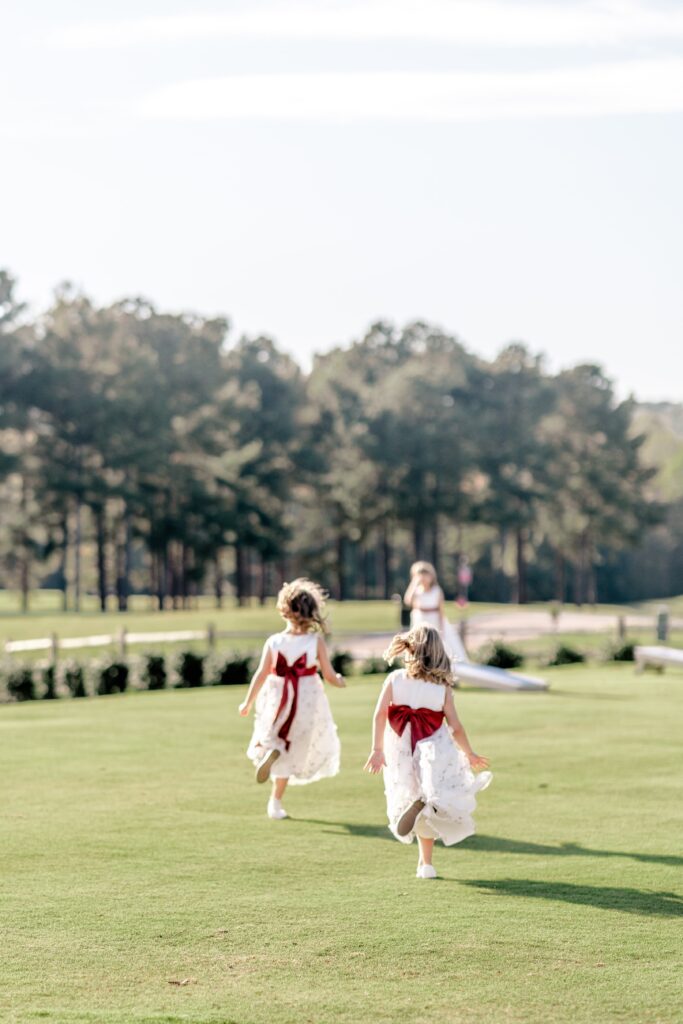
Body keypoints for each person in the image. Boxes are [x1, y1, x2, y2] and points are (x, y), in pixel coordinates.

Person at [364, 624, 491, 878]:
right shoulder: (442, 688)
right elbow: (455, 727)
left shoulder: (395, 679)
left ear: (410, 649)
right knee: (433, 799)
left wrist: (377, 749)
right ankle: (427, 863)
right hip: (433, 749)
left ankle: (414, 832)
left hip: (400, 748)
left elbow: (379, 715)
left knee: (404, 791)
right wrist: (469, 753)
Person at [239, 578, 346, 820]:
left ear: (284, 609)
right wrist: (340, 680)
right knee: (294, 744)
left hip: (277, 695)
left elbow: (261, 673)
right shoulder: (315, 642)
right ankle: (275, 802)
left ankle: (268, 749)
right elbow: (328, 675)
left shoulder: (274, 641)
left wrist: (247, 702)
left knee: (273, 731)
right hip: (306, 699)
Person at [404, 561, 467, 667]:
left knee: (440, 646)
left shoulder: (437, 591)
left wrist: (441, 629)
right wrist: (414, 583)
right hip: (420, 620)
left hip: (433, 620)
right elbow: (407, 601)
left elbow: (441, 612)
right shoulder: (417, 591)